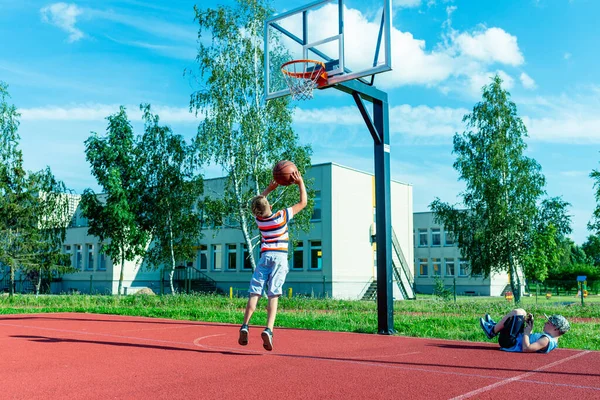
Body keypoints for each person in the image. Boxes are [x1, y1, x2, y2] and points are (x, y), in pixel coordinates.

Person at [238, 170, 307, 351]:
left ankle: (245, 325)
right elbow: (303, 202)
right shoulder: (282, 216)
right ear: (268, 205)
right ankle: (269, 329)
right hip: (280, 258)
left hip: (265, 257)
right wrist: (300, 182)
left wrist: (268, 188)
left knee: (255, 292)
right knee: (273, 293)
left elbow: (257, 202)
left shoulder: (259, 220)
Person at [480, 308, 570, 353]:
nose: (545, 323)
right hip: (515, 340)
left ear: (556, 328)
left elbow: (526, 348)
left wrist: (526, 333)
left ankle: (492, 331)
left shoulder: (546, 340)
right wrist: (530, 326)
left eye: (548, 323)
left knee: (517, 312)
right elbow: (529, 340)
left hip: (511, 343)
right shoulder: (550, 340)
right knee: (522, 312)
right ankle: (495, 327)